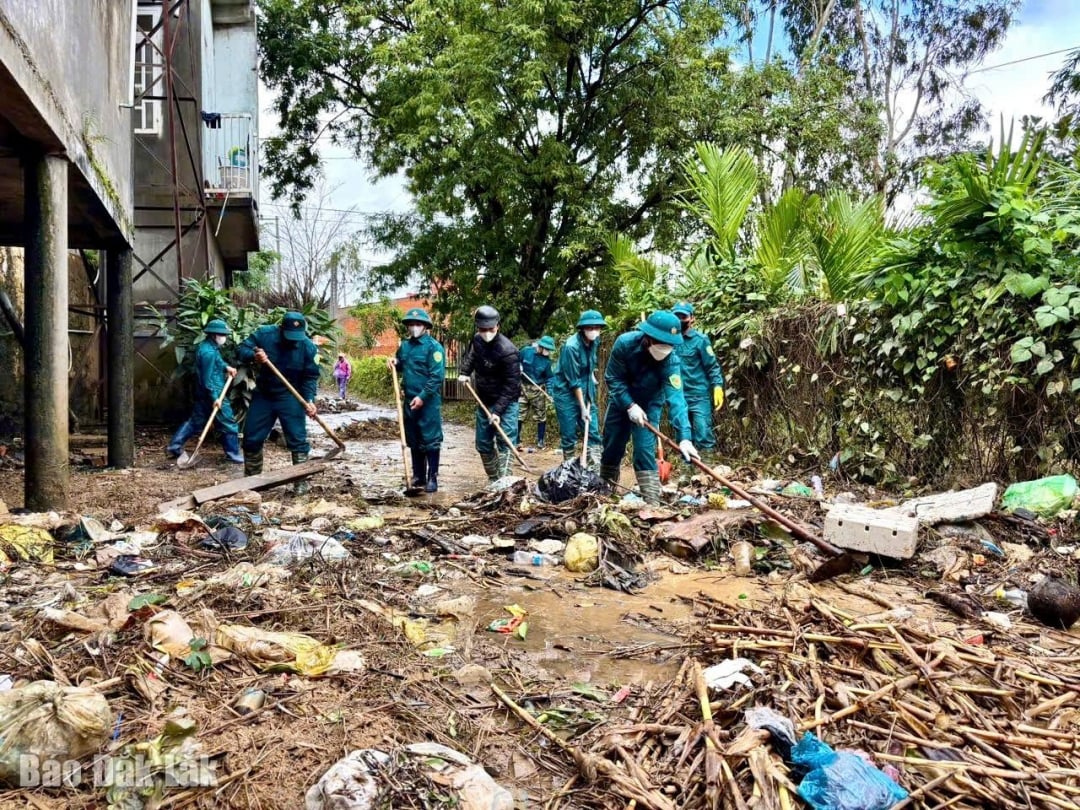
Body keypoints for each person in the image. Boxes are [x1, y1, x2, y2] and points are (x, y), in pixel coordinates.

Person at [600, 310, 700, 505]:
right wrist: (629, 405)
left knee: (644, 449)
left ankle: (652, 502)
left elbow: (677, 399)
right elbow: (613, 378)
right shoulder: (624, 344)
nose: (665, 349)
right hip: (622, 402)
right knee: (612, 445)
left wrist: (685, 437)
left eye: (669, 345)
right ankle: (605, 490)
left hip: (650, 403)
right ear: (648, 338)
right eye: (661, 344)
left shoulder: (671, 361)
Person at [237, 311, 321, 494]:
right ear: (281, 328)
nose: (293, 341)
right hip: (264, 395)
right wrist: (254, 355)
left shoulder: (308, 347)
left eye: (297, 338)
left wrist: (309, 400)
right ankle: (252, 483)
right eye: (289, 336)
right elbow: (241, 349)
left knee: (297, 439)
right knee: (251, 437)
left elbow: (310, 377)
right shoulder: (264, 334)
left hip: (291, 396)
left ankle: (300, 483)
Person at [458, 305, 522, 482]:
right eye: (482, 329)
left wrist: (497, 412)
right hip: (484, 400)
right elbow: (472, 356)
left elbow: (511, 385)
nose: (486, 332)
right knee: (483, 444)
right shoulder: (477, 340)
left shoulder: (509, 351)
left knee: (505, 443)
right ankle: (494, 480)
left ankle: (505, 484)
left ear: (497, 326)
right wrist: (464, 372)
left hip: (507, 403)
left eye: (490, 329)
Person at [166, 319, 243, 463]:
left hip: (204, 393)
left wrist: (227, 367)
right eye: (222, 335)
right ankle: (233, 454)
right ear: (214, 335)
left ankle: (174, 446)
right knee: (228, 421)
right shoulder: (208, 353)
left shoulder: (208, 347)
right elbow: (207, 379)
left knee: (196, 421)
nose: (224, 338)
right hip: (214, 391)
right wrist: (215, 397)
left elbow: (218, 361)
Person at [388, 308, 446, 492]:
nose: (414, 327)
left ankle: (432, 478)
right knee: (414, 438)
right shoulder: (405, 346)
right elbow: (400, 363)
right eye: (411, 324)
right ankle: (418, 476)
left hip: (428, 402)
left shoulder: (434, 348)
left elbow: (437, 377)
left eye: (418, 324)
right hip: (409, 401)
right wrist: (394, 363)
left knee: (430, 439)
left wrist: (422, 397)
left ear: (425, 326)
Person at [551, 310, 606, 470]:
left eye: (597, 327)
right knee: (569, 435)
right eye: (590, 327)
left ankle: (595, 471)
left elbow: (589, 365)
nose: (594, 330)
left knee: (593, 432)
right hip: (566, 393)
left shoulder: (594, 341)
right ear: (582, 328)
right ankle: (570, 471)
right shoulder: (571, 347)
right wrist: (582, 408)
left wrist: (591, 377)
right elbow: (573, 381)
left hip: (587, 389)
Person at [672, 302, 725, 452]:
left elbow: (712, 366)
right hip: (677, 397)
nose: (680, 320)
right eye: (677, 316)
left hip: (698, 396)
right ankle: (687, 472)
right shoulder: (669, 340)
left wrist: (717, 386)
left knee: (703, 435)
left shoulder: (700, 340)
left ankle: (707, 471)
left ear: (692, 318)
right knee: (683, 437)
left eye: (684, 316)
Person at [518, 335, 556, 451]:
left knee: (541, 416)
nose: (548, 352)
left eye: (550, 350)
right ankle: (516, 440)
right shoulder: (526, 351)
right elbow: (514, 360)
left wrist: (550, 393)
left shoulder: (547, 362)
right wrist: (517, 366)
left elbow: (549, 378)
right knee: (519, 414)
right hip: (523, 388)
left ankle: (540, 441)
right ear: (541, 347)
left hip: (538, 390)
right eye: (547, 349)